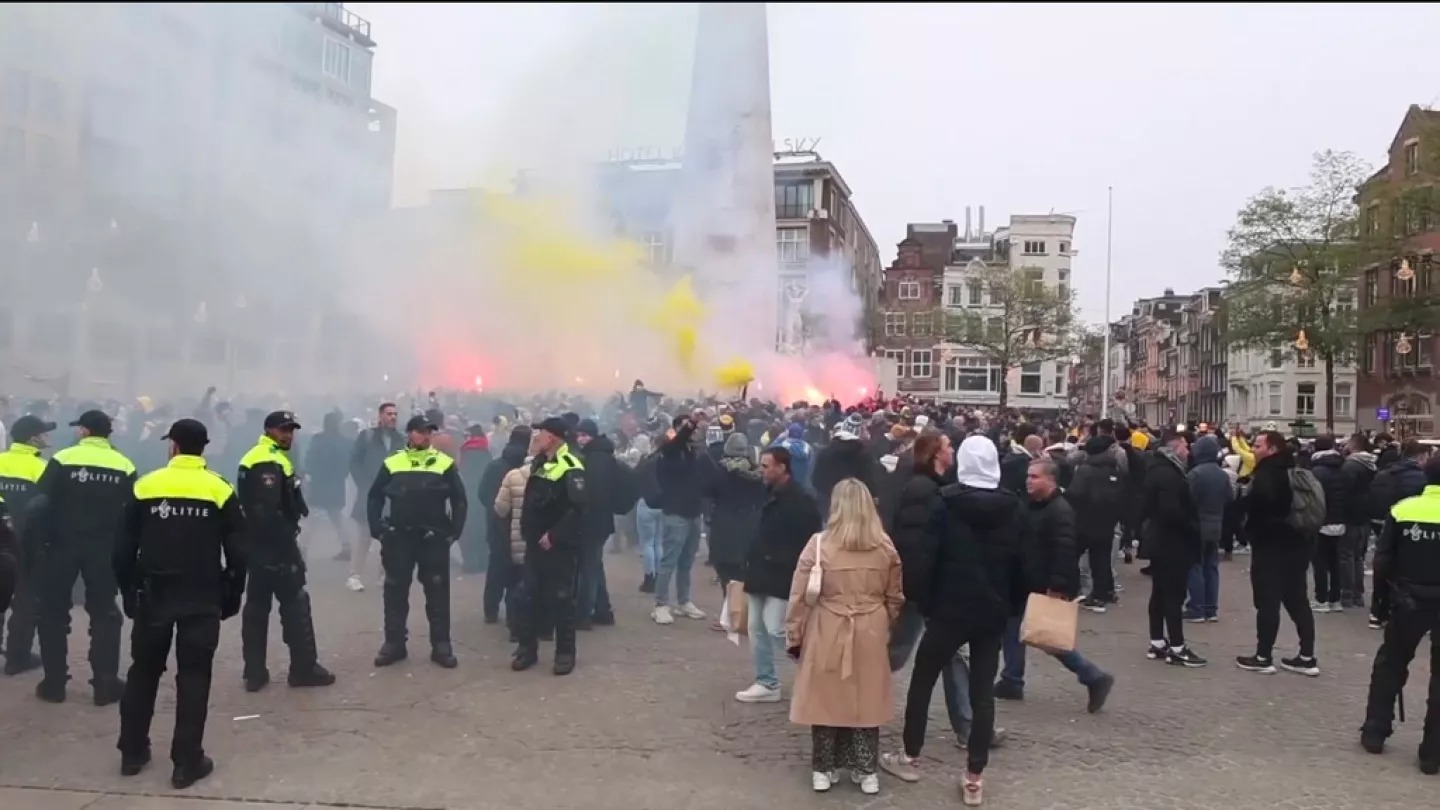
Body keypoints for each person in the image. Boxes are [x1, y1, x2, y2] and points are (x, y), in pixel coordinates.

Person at [881, 436, 1026, 807]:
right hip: (990, 613)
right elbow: (1022, 566)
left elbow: (925, 560)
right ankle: (974, 777)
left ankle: (910, 757)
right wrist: (1010, 607)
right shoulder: (1014, 508)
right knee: (982, 691)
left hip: (948, 609)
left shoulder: (945, 504)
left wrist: (927, 603)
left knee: (923, 680)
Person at [114, 418, 246, 789]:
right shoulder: (219, 490)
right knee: (194, 676)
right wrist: (233, 593)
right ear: (204, 448)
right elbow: (239, 550)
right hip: (201, 596)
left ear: (172, 445)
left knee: (143, 672)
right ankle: (186, 762)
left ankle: (132, 752)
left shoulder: (146, 486)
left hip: (153, 595)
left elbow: (122, 549)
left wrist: (127, 590)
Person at [786, 478, 903, 795]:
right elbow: (895, 597)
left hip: (828, 624)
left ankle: (823, 767)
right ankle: (866, 769)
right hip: (871, 626)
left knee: (825, 696)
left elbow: (799, 596)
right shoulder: (885, 546)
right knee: (866, 698)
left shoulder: (819, 545)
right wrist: (884, 625)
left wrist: (794, 635)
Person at [32, 409, 136, 704]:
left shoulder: (63, 459)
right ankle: (104, 683)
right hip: (104, 549)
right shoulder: (124, 465)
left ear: (85, 431)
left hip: (61, 546)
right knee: (105, 614)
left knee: (53, 612)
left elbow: (41, 504)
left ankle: (54, 684)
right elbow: (132, 513)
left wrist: (39, 544)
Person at [996, 457, 1114, 711]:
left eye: (1034, 477)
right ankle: (1012, 679)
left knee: (1048, 637)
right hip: (1024, 581)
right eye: (1028, 476)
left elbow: (1065, 549)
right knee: (1013, 627)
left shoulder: (1060, 511)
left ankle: (1093, 676)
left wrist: (1057, 585)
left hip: (1044, 584)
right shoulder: (1030, 505)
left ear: (1050, 480)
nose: (1028, 481)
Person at [237, 411, 335, 692]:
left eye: (291, 429)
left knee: (257, 608)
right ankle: (303, 669)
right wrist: (287, 551)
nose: (288, 434)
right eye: (282, 429)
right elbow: (268, 512)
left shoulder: (267, 456)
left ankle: (254, 672)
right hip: (273, 547)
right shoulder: (266, 460)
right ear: (268, 430)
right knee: (294, 605)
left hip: (258, 546)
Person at [366, 414, 468, 669]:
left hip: (433, 537)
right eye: (421, 431)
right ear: (410, 434)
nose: (426, 436)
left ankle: (441, 646)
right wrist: (377, 528)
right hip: (399, 536)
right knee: (395, 590)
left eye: (429, 432)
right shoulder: (393, 462)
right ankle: (394, 644)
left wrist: (455, 530)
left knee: (437, 592)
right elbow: (375, 496)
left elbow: (459, 499)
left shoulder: (443, 463)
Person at [1361, 455, 1440, 774]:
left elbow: (1382, 561)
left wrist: (1380, 602)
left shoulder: (1404, 509)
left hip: (1408, 598)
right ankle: (1432, 753)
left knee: (1390, 663)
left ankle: (1375, 731)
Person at [736, 446, 822, 703]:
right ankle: (767, 682)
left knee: (777, 629)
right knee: (756, 628)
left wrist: (789, 564)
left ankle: (817, 678)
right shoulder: (764, 493)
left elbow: (811, 540)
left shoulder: (802, 500)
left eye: (766, 466)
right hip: (759, 571)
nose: (761, 470)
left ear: (782, 467)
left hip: (782, 574)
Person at [1236, 430, 1318, 676]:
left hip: (1271, 547)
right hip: (1298, 546)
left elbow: (1262, 509)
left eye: (1258, 445)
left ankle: (1263, 656)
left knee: (1267, 602)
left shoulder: (1267, 475)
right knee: (1298, 601)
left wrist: (1246, 520)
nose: (1254, 449)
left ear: (1271, 449)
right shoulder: (1295, 471)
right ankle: (1307, 657)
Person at [511, 417, 587, 675]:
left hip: (558, 546)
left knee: (561, 598)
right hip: (534, 543)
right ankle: (526, 649)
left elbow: (578, 509)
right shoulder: (539, 464)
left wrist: (554, 536)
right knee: (527, 596)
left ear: (552, 437)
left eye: (540, 433)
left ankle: (565, 653)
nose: (536, 438)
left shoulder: (571, 465)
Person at [1140, 430, 1207, 667]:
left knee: (1159, 592)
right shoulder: (1170, 474)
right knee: (1173, 595)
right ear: (1175, 447)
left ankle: (1157, 641)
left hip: (1159, 540)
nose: (1188, 451)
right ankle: (1177, 647)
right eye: (1185, 447)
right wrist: (1192, 526)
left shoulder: (1156, 470)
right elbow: (1171, 511)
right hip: (1172, 543)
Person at [0, 414, 54, 674]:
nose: (48, 437)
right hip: (28, 543)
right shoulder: (44, 468)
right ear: (33, 438)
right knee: (25, 600)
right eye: (44, 433)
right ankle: (16, 657)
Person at [1067, 432, 1126, 612]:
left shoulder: (1085, 470)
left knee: (1070, 555)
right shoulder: (1114, 470)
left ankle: (1072, 590)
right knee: (1101, 558)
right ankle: (1102, 594)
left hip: (1083, 521)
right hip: (1106, 522)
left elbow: (1074, 494)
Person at [347, 402, 403, 592]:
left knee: (389, 537)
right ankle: (354, 575)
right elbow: (354, 462)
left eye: (395, 414)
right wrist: (363, 483)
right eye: (389, 414)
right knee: (364, 536)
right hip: (370, 493)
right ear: (380, 416)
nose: (393, 417)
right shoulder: (367, 436)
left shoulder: (401, 440)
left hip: (392, 494)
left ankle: (383, 575)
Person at [479, 425, 531, 625]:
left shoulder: (495, 466)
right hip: (520, 526)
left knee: (496, 570)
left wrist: (495, 510)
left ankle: (490, 610)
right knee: (519, 570)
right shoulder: (527, 469)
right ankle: (515, 614)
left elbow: (483, 494)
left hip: (496, 525)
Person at [1184, 434, 1233, 622]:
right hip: (1216, 524)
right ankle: (1211, 608)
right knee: (1211, 567)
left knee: (1195, 565)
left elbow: (1188, 499)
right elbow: (1230, 498)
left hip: (1198, 525)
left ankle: (1196, 607)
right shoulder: (1222, 475)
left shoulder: (1195, 474)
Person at [573, 419, 617, 629]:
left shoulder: (595, 458)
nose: (580, 439)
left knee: (588, 569)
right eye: (578, 435)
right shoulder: (602, 454)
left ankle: (583, 615)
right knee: (595, 566)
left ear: (591, 435)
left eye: (584, 435)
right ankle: (603, 610)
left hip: (593, 521)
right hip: (602, 520)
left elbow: (594, 493)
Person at [303, 411, 351, 565]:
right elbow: (347, 463)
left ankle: (302, 548)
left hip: (319, 482)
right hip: (335, 483)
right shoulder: (344, 441)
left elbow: (310, 459)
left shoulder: (318, 439)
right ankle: (346, 546)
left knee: (313, 516)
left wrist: (309, 473)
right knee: (336, 515)